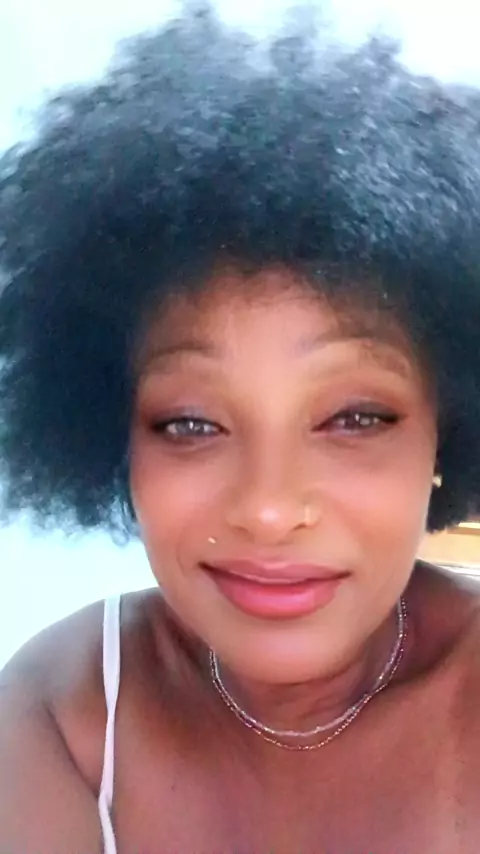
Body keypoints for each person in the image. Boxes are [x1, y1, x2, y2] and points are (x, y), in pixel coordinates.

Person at [2, 4, 480, 852]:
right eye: (191, 423)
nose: (268, 508)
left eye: (353, 418)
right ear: (113, 437)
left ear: (445, 434)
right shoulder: (63, 714)